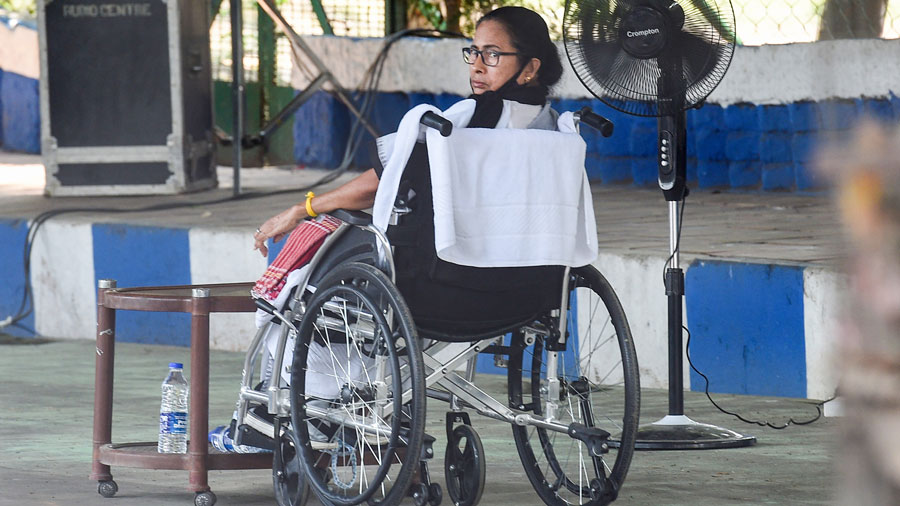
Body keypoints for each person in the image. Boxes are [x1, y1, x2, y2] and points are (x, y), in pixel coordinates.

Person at [252, 6, 564, 258]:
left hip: (447, 265)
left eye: (493, 54)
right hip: (526, 268)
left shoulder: (467, 119)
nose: (477, 66)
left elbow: (380, 182)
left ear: (531, 67)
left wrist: (302, 209)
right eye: (473, 51)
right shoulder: (551, 126)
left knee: (305, 247)